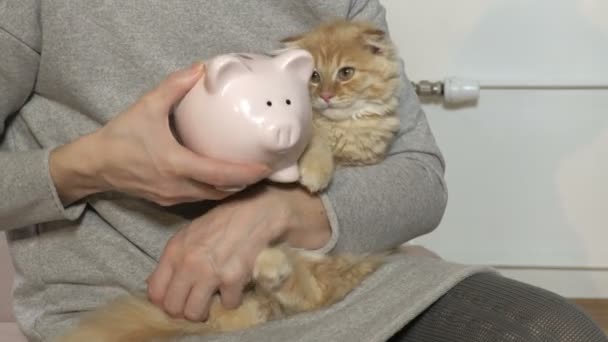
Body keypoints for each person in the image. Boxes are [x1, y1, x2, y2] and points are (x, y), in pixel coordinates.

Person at [0, 1, 605, 341]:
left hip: (342, 287)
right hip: (139, 306)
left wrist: (280, 212)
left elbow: (421, 179)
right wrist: (84, 167)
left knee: (556, 332)